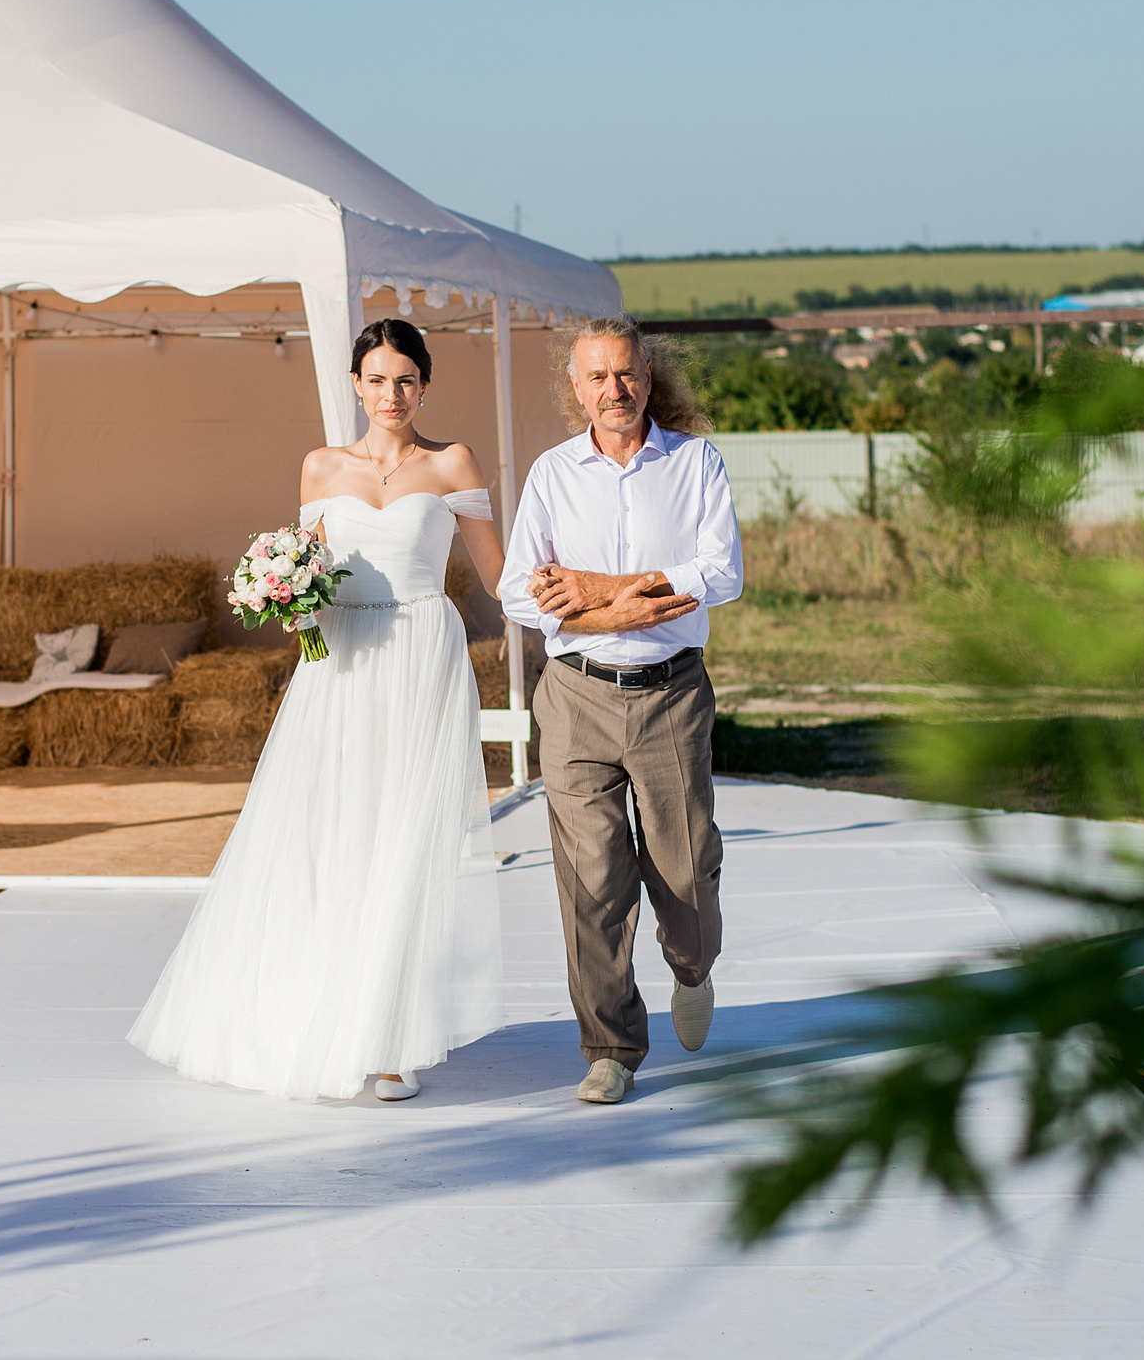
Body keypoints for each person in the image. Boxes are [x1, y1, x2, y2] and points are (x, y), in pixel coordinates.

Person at [128, 318, 506, 1101]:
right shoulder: (319, 466)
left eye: (406, 378)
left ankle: (394, 1038)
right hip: (338, 668)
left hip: (419, 656)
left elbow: (501, 579)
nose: (391, 393)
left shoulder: (452, 462)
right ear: (357, 385)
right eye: (377, 379)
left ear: (425, 383)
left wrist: (596, 604)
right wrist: (290, 604)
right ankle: (318, 1012)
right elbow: (306, 574)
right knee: (331, 835)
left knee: (404, 840)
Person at [498, 315, 742, 1105]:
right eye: (597, 376)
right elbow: (516, 591)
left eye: (627, 373)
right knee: (592, 880)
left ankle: (692, 963)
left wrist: (596, 586)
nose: (615, 389)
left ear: (649, 374)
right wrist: (620, 610)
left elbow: (720, 571)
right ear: (576, 387)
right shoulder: (552, 473)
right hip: (574, 696)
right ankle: (610, 1045)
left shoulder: (696, 462)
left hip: (671, 693)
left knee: (685, 869)